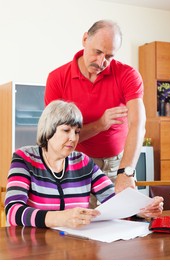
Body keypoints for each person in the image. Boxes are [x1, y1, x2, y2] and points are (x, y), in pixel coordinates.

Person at [5, 100, 163, 229]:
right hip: (35, 247)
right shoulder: (24, 158)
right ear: (48, 130)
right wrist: (61, 218)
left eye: (77, 132)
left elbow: (114, 201)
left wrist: (142, 210)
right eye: (66, 130)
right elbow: (12, 211)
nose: (73, 138)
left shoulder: (83, 162)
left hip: (75, 244)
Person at [44, 19, 146, 195]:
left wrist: (126, 171)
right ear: (85, 39)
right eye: (97, 52)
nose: (101, 62)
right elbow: (55, 138)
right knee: (82, 220)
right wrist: (100, 124)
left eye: (108, 56)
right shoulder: (57, 78)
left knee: (125, 218)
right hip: (78, 164)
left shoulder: (128, 75)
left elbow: (138, 124)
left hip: (118, 164)